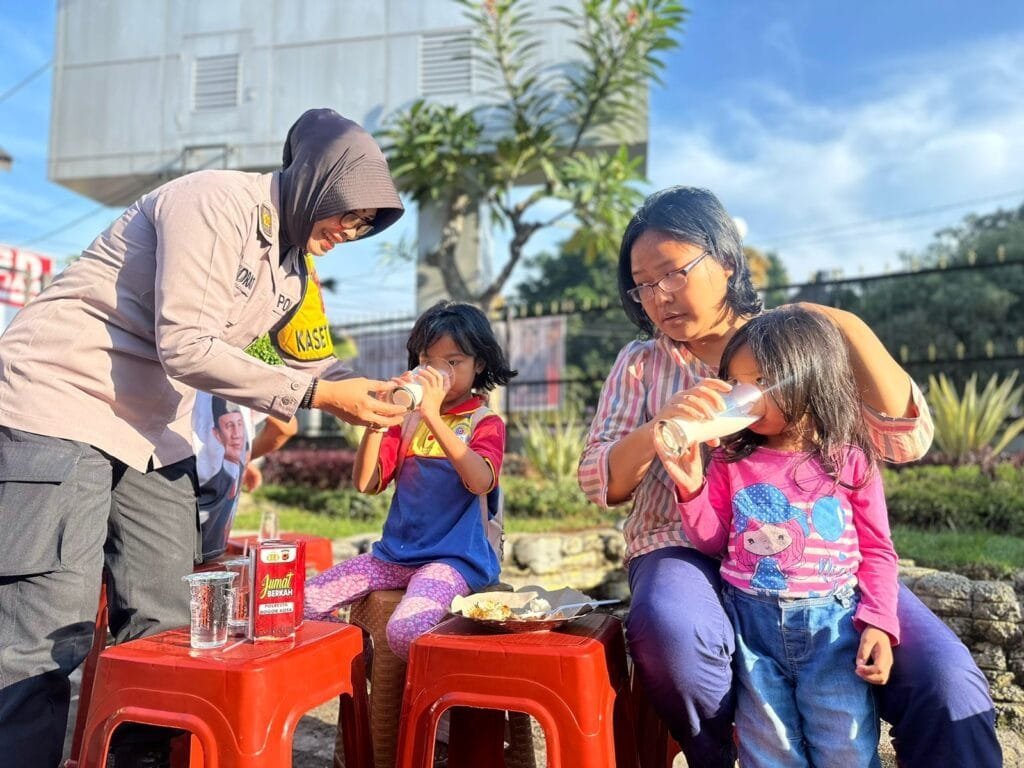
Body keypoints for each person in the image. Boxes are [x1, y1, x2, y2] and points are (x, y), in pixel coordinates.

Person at [0, 107, 409, 768]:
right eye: (349, 211)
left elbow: (317, 366)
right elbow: (187, 345)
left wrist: (379, 394)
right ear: (315, 180)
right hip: (62, 400)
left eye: (364, 223)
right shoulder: (215, 202)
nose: (351, 230)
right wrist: (321, 397)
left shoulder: (294, 274)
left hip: (151, 432)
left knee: (169, 628)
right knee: (47, 633)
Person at [577, 186, 1000, 767]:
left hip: (820, 568)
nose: (659, 296)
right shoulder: (642, 363)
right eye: (642, 284)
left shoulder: (799, 346)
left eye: (673, 272)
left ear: (726, 261)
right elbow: (598, 480)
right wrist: (660, 429)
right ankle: (718, 755)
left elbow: (905, 440)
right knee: (674, 632)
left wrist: (840, 324)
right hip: (682, 547)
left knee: (948, 684)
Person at [655, 306, 899, 767]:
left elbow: (878, 550)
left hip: (834, 630)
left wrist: (880, 624)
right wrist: (691, 487)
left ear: (812, 376)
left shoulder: (848, 460)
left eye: (763, 380)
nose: (745, 395)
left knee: (845, 747)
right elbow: (712, 541)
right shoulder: (730, 459)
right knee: (769, 751)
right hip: (753, 628)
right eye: (737, 382)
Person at [305, 300, 517, 660]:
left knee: (406, 631)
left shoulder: (484, 422)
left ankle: (433, 692)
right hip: (393, 557)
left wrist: (432, 415)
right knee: (303, 603)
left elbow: (480, 482)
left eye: (453, 362)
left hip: (455, 560)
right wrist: (377, 421)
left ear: (479, 364)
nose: (438, 373)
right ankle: (363, 660)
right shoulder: (406, 421)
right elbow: (366, 484)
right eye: (427, 361)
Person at [194, 393, 298, 561]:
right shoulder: (246, 382)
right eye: (229, 426)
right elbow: (285, 426)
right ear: (216, 433)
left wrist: (243, 459)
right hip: (209, 541)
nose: (236, 433)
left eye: (239, 425)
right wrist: (242, 458)